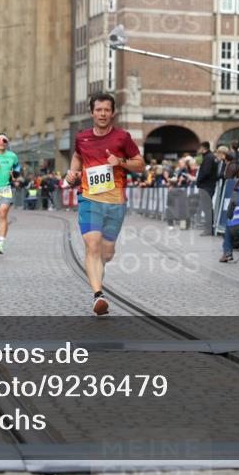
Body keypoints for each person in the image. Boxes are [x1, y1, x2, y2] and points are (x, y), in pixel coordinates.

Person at [65, 92, 145, 315]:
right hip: (89, 199)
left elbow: (140, 165)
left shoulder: (122, 137)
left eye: (106, 110)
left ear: (113, 113)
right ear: (92, 112)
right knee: (91, 246)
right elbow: (78, 157)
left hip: (115, 201)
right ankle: (98, 296)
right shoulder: (82, 137)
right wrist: (72, 172)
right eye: (98, 110)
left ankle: (98, 272)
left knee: (106, 252)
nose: (102, 114)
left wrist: (120, 161)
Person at [194, 141, 218, 235]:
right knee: (206, 207)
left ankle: (209, 229)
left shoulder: (208, 158)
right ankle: (209, 228)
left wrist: (199, 180)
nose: (198, 150)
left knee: (207, 207)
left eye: (199, 148)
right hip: (207, 185)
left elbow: (206, 172)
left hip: (206, 185)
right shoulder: (209, 157)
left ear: (203, 148)